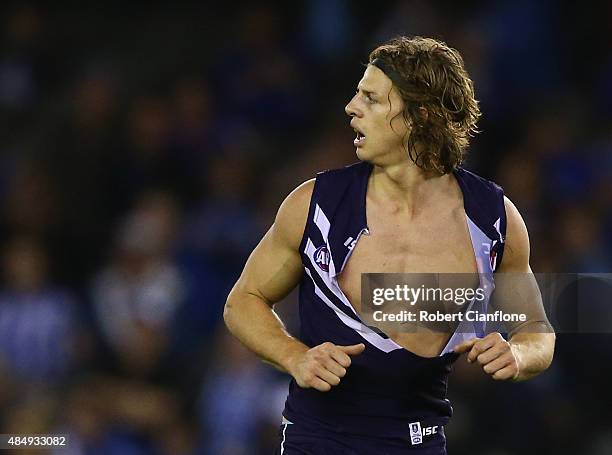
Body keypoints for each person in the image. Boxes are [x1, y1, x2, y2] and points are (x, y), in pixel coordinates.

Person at [224, 36, 555, 454]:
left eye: (371, 98)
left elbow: (537, 332)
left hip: (420, 444)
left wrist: (518, 356)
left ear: (421, 115)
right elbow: (243, 301)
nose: (351, 107)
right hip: (319, 440)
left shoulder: (493, 219)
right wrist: (294, 356)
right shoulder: (315, 206)